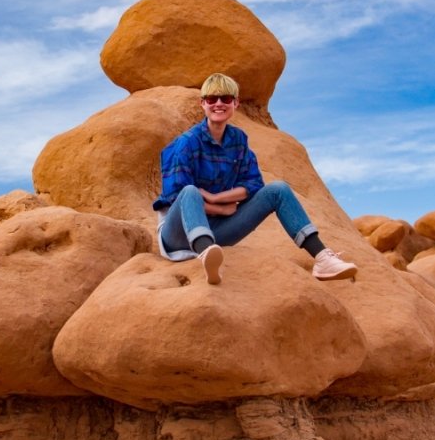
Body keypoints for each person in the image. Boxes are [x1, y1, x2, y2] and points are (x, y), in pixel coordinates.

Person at [153, 72, 358, 285]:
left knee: (278, 189)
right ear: (203, 104)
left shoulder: (238, 140)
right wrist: (223, 208)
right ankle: (207, 256)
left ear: (236, 103)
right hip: (178, 235)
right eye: (212, 99)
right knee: (190, 191)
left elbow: (253, 185)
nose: (219, 104)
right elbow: (177, 196)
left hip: (218, 232)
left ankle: (322, 258)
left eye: (226, 99)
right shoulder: (186, 143)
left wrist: (215, 199)